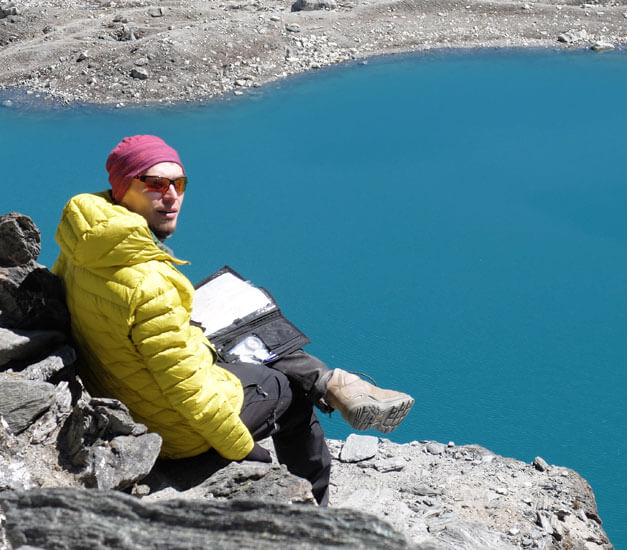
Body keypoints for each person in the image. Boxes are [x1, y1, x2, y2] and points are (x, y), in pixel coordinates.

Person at [52, 135, 413, 505]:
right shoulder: (151, 284)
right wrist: (244, 452)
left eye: (179, 183)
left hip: (129, 386)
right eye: (156, 184)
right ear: (123, 187)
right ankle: (316, 503)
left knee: (239, 327)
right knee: (285, 389)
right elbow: (189, 394)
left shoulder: (84, 239)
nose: (172, 195)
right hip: (174, 433)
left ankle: (332, 383)